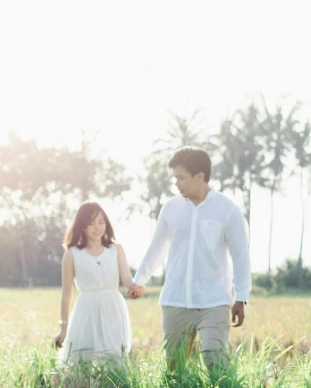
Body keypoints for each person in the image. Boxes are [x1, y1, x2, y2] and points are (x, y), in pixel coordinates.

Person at [128, 146, 251, 373]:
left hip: (213, 301)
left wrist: (241, 298)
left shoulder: (228, 210)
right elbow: (157, 248)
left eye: (181, 178)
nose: (177, 183)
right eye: (175, 178)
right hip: (175, 299)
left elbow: (241, 257)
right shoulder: (171, 208)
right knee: (175, 367)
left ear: (200, 177)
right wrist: (140, 280)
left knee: (216, 362)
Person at [53, 201, 142, 366]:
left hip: (113, 308)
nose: (97, 228)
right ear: (82, 226)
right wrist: (63, 327)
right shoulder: (72, 254)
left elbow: (127, 280)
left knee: (114, 357)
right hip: (86, 310)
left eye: (101, 222)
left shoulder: (116, 249)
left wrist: (134, 288)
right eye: (91, 223)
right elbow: (66, 294)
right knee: (81, 358)